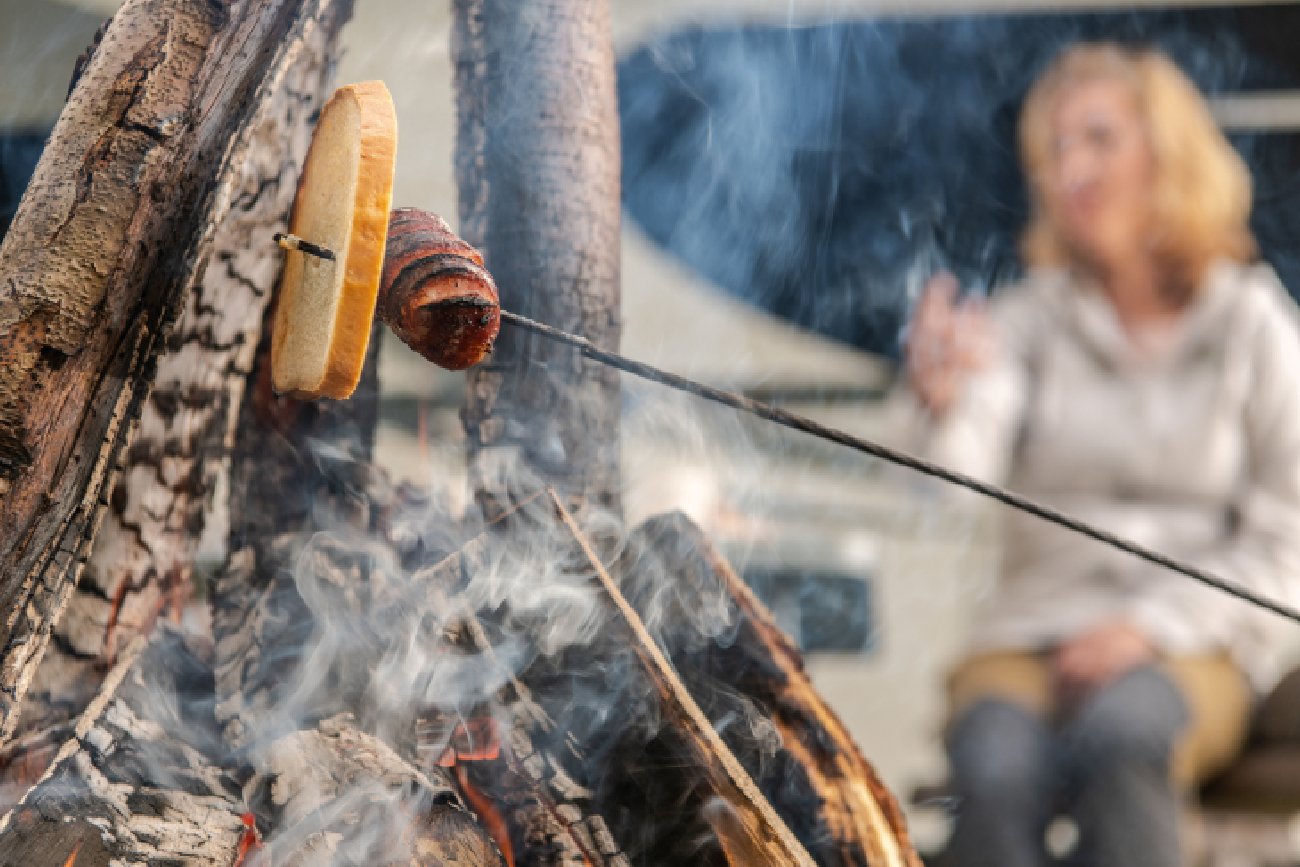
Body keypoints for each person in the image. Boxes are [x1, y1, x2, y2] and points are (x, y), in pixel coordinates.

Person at [902, 43, 1300, 867]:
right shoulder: (1026, 320)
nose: (1069, 168)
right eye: (1053, 149)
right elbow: (951, 485)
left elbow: (1290, 536)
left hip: (1191, 643)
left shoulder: (1251, 322)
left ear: (1168, 154)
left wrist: (1150, 627)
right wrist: (938, 405)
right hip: (1028, 636)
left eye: (1098, 139)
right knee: (992, 764)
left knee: (1125, 734)